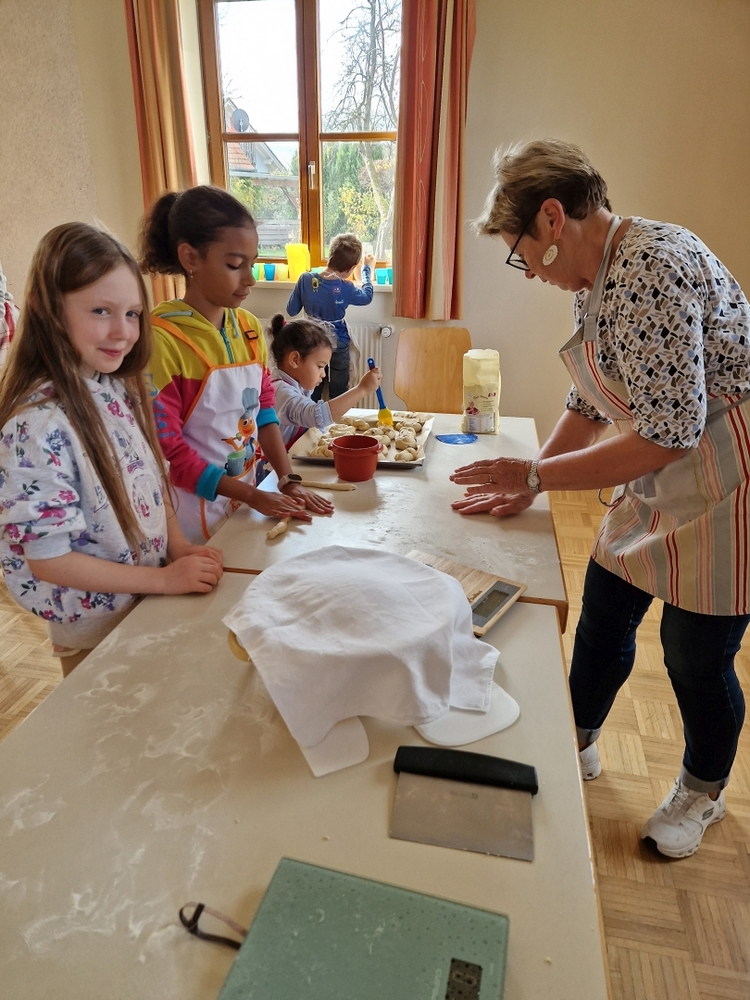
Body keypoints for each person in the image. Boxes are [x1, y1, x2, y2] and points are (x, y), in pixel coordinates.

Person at [451, 139, 750, 859]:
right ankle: (574, 739)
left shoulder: (652, 267)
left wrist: (535, 479)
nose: (529, 272)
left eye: (522, 253)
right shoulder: (597, 276)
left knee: (694, 656)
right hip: (660, 466)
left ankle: (702, 791)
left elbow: (671, 432)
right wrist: (529, 476)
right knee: (604, 615)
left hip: (728, 477)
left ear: (553, 219)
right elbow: (589, 401)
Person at [0, 223, 223, 677]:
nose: (123, 332)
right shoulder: (36, 426)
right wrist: (163, 580)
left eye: (133, 314)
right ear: (46, 308)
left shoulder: (117, 385)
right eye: (101, 310)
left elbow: (152, 477)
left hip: (144, 601)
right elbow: (49, 559)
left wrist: (178, 546)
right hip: (94, 631)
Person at [138, 186, 334, 543]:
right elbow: (171, 454)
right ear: (190, 257)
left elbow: (264, 413)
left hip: (242, 503)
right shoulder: (162, 341)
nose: (250, 279)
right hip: (188, 518)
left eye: (252, 263)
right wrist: (253, 495)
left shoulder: (248, 329)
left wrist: (287, 479)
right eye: (234, 265)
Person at [267, 314, 382, 447]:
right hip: (278, 460)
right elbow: (318, 416)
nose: (323, 374)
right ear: (295, 360)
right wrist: (361, 389)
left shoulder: (295, 385)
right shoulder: (281, 392)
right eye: (320, 366)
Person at [286, 233, 374, 400]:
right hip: (338, 343)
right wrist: (366, 269)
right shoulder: (346, 287)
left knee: (312, 389)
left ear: (330, 256)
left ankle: (311, 415)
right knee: (339, 391)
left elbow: (291, 310)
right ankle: (337, 416)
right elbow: (367, 297)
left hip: (311, 343)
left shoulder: (305, 279)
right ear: (351, 268)